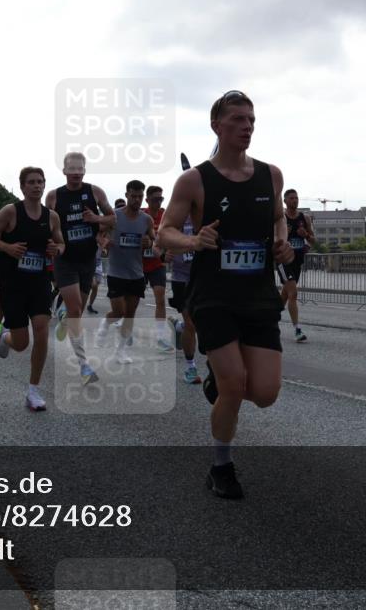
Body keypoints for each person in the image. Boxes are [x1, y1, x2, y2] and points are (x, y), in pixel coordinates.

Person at [157, 90, 294, 500]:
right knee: (235, 385)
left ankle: (218, 379)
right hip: (213, 293)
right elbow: (163, 234)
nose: (247, 126)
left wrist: (282, 242)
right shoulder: (194, 179)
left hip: (257, 294)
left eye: (251, 119)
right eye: (237, 119)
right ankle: (221, 467)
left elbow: (278, 218)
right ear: (217, 125)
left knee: (265, 394)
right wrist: (194, 240)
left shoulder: (271, 175)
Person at [0, 167, 66, 411]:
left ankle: (33, 390)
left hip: (39, 282)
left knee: (42, 332)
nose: (36, 186)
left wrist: (57, 249)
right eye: (31, 182)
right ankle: (4, 337)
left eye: (40, 182)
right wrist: (7, 249)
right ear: (22, 187)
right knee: (21, 343)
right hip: (13, 284)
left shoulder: (51, 216)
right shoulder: (11, 211)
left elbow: (61, 243)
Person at [46, 152, 115, 386]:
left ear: (85, 170)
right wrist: (52, 245)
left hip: (88, 260)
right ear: (64, 171)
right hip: (65, 260)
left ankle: (64, 312)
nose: (76, 172)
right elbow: (48, 226)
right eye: (71, 168)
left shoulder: (95, 192)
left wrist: (96, 219)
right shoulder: (54, 196)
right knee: (76, 309)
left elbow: (113, 219)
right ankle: (84, 365)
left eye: (80, 168)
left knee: (77, 313)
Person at [95, 180, 155, 364]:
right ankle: (105, 323)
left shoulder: (146, 219)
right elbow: (98, 233)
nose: (137, 200)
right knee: (119, 311)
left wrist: (150, 243)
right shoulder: (115, 216)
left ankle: (119, 352)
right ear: (127, 195)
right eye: (133, 196)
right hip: (116, 271)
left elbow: (154, 240)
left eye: (140, 196)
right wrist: (103, 242)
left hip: (136, 273)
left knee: (129, 315)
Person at [166, 216, 201, 384]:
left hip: (202, 279)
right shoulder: (175, 216)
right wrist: (163, 255)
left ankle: (179, 327)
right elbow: (157, 244)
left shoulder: (206, 215)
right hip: (181, 279)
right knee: (192, 324)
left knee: (200, 321)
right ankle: (190, 367)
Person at [278, 189, 313, 343]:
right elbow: (274, 239)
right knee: (293, 293)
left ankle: (270, 319)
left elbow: (314, 242)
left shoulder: (304, 218)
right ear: (285, 201)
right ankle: (297, 329)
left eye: (296, 198)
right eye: (291, 198)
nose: (295, 200)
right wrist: (285, 235)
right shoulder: (281, 218)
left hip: (297, 261)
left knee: (285, 295)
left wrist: (305, 236)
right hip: (284, 261)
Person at [141, 185, 173, 352]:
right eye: (155, 199)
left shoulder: (165, 215)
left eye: (161, 199)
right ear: (147, 200)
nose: (158, 202)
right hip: (138, 265)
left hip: (157, 264)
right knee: (129, 303)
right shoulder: (141, 215)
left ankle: (160, 338)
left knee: (160, 299)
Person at [86, 245, 104, 314]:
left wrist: (103, 251)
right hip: (90, 265)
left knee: (95, 288)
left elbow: (104, 253)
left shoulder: (103, 241)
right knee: (94, 285)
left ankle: (90, 305)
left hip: (99, 266)